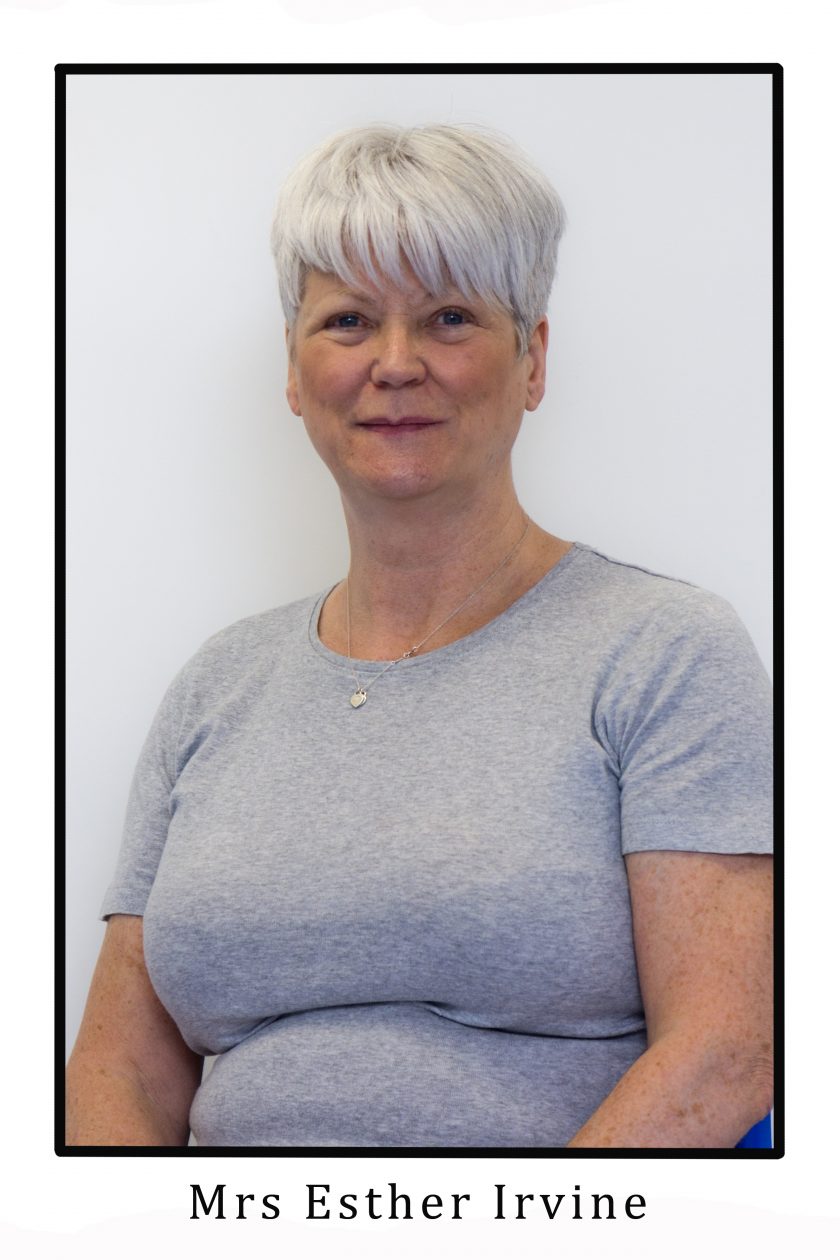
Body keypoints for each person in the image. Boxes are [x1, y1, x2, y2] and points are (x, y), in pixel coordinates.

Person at [65, 123, 773, 1148]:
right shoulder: (217, 687)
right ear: (295, 371)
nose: (395, 365)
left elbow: (727, 1050)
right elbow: (120, 1069)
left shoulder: (664, 653)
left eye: (449, 317)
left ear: (533, 359)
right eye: (349, 321)